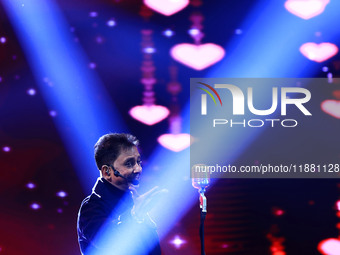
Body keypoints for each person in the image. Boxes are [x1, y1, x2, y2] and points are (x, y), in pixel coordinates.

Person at [77, 133, 162, 255]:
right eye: (129, 163)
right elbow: (108, 242)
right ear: (107, 172)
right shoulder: (91, 208)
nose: (138, 169)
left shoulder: (134, 200)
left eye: (138, 162)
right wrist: (135, 216)